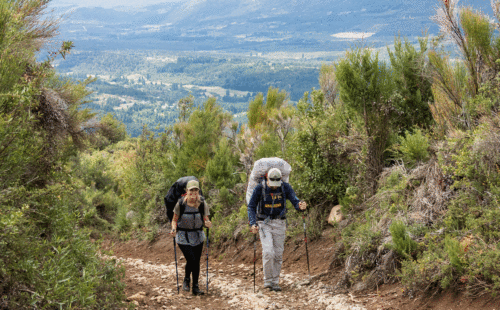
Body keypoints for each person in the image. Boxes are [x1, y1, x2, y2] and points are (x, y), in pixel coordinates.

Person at [247, 168, 307, 291]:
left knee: (278, 254)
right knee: (269, 252)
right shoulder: (260, 188)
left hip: (280, 223)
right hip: (264, 223)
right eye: (272, 184)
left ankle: (275, 281)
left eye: (277, 184)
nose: (274, 187)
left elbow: (295, 201)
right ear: (267, 179)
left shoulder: (285, 187)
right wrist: (253, 223)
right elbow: (251, 206)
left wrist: (300, 206)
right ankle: (268, 281)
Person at [170, 180, 212, 295]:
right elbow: (174, 220)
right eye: (191, 190)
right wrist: (173, 229)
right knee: (192, 259)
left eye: (196, 190)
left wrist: (208, 223)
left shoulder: (202, 203)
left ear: (198, 191)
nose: (193, 192)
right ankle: (187, 280)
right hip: (183, 236)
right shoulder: (181, 204)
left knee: (195, 261)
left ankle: (195, 287)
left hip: (198, 235)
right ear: (186, 191)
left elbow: (206, 218)